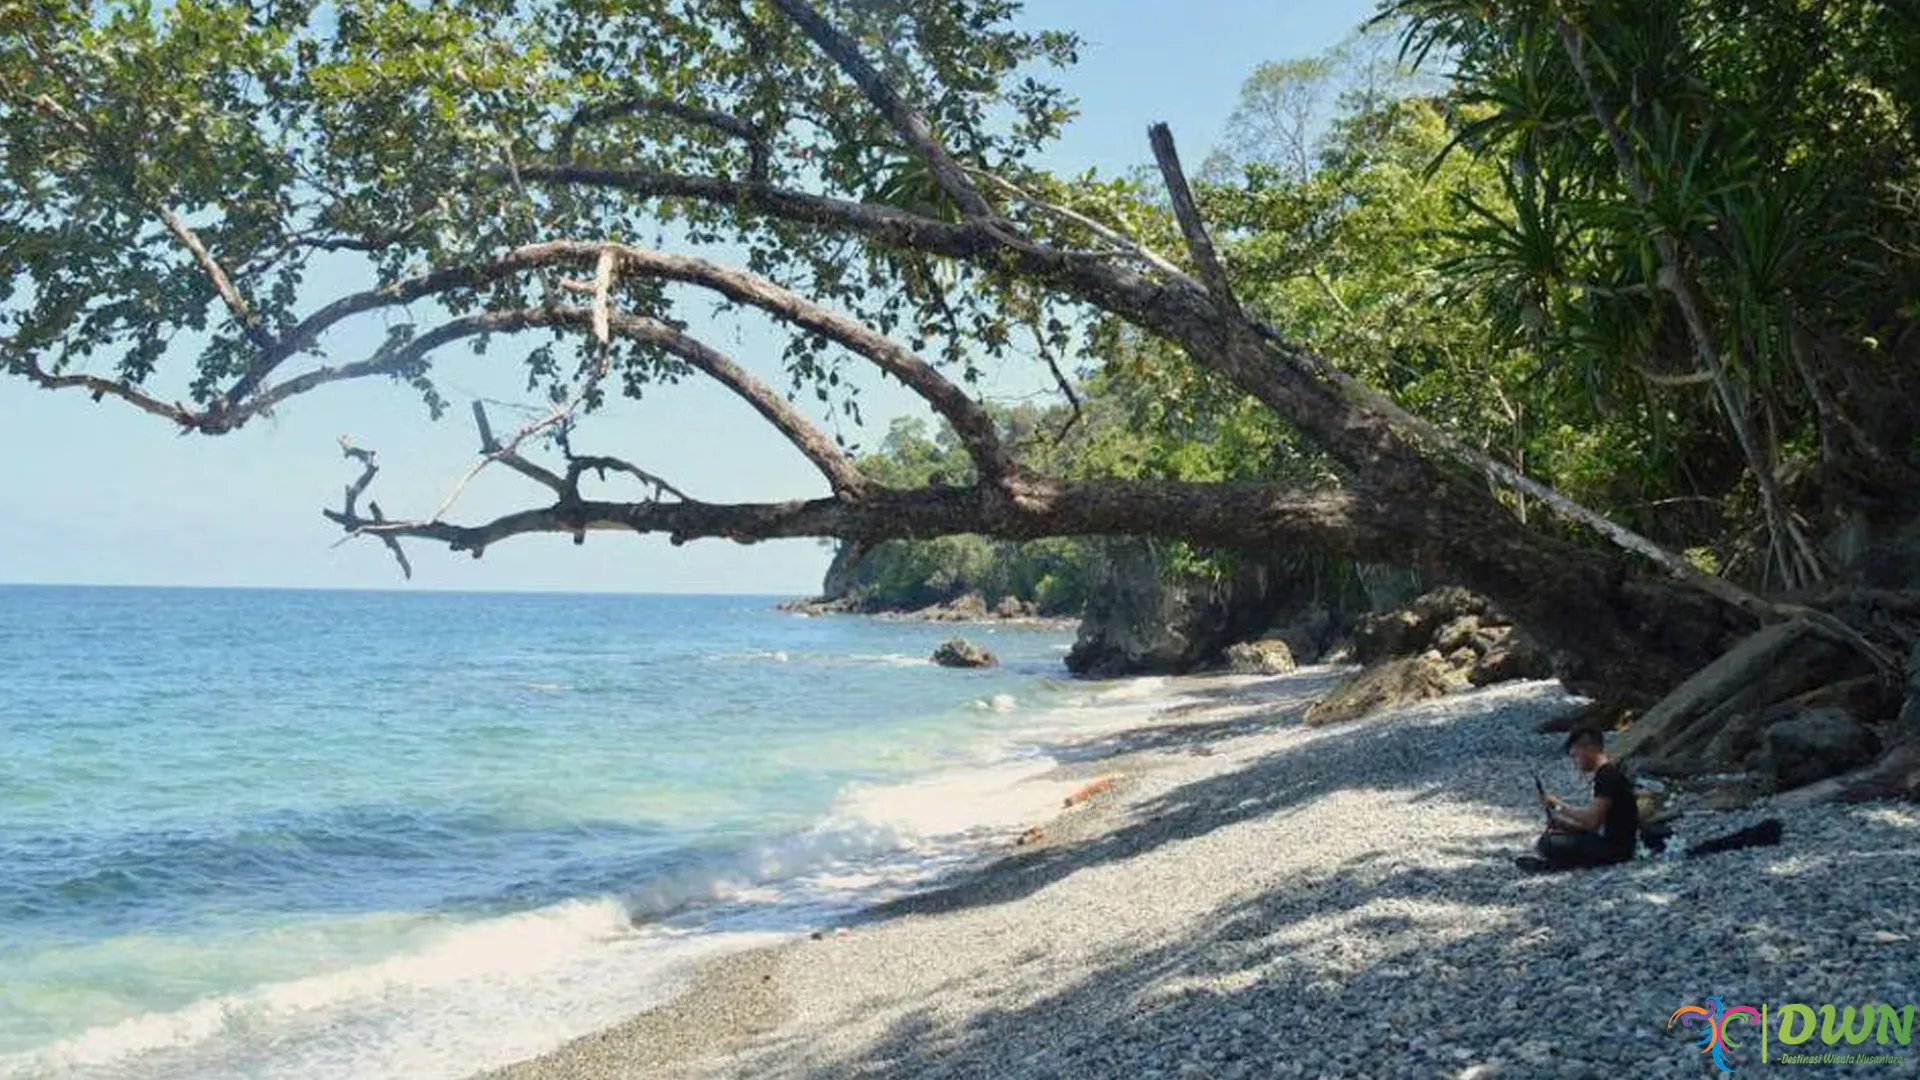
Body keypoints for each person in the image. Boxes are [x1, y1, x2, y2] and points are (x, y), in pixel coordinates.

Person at [1529, 729, 1639, 871]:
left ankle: (1557, 865)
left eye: (1575, 756)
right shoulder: (1608, 773)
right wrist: (1565, 825)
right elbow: (1597, 823)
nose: (1576, 762)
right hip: (1618, 844)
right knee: (1555, 838)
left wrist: (1558, 806)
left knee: (1547, 843)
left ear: (1590, 749)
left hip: (1616, 849)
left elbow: (1592, 821)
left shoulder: (1607, 776)